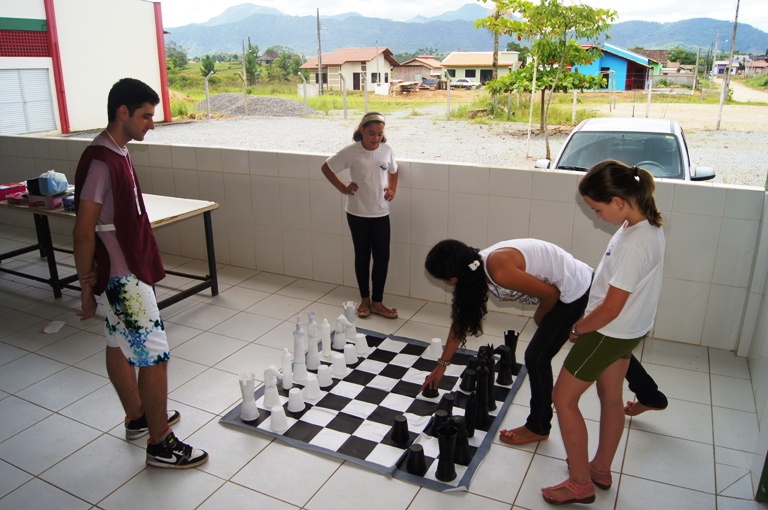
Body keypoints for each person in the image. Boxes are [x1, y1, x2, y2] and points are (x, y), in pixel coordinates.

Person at [73, 78, 208, 469]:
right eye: (147, 116)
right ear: (123, 113)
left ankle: (137, 418)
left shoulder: (119, 151)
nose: (152, 123)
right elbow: (83, 231)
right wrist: (86, 286)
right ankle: (160, 442)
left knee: (117, 343)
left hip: (125, 267)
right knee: (155, 356)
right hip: (122, 276)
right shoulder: (101, 160)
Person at [420, 238, 666, 447]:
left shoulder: (498, 269)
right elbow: (461, 322)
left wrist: (541, 317)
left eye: (443, 280)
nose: (446, 284)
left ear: (453, 278)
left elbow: (551, 294)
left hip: (578, 291)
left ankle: (538, 426)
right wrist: (442, 365)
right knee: (600, 344)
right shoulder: (476, 272)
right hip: (573, 285)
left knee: (536, 357)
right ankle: (650, 395)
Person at [542, 161, 666, 505]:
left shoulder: (634, 243)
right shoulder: (646, 226)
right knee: (611, 398)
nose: (596, 216)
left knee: (563, 399)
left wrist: (578, 327)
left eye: (597, 209)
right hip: (628, 331)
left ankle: (580, 483)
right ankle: (599, 468)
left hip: (608, 332)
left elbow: (611, 307)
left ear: (618, 200)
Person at [321, 111, 399, 319]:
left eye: (380, 134)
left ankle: (378, 302)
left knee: (382, 258)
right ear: (362, 130)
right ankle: (365, 300)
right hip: (357, 213)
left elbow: (393, 170)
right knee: (363, 256)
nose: (376, 138)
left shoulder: (387, 150)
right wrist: (342, 188)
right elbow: (326, 167)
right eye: (371, 133)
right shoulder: (351, 152)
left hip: (381, 212)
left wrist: (393, 189)